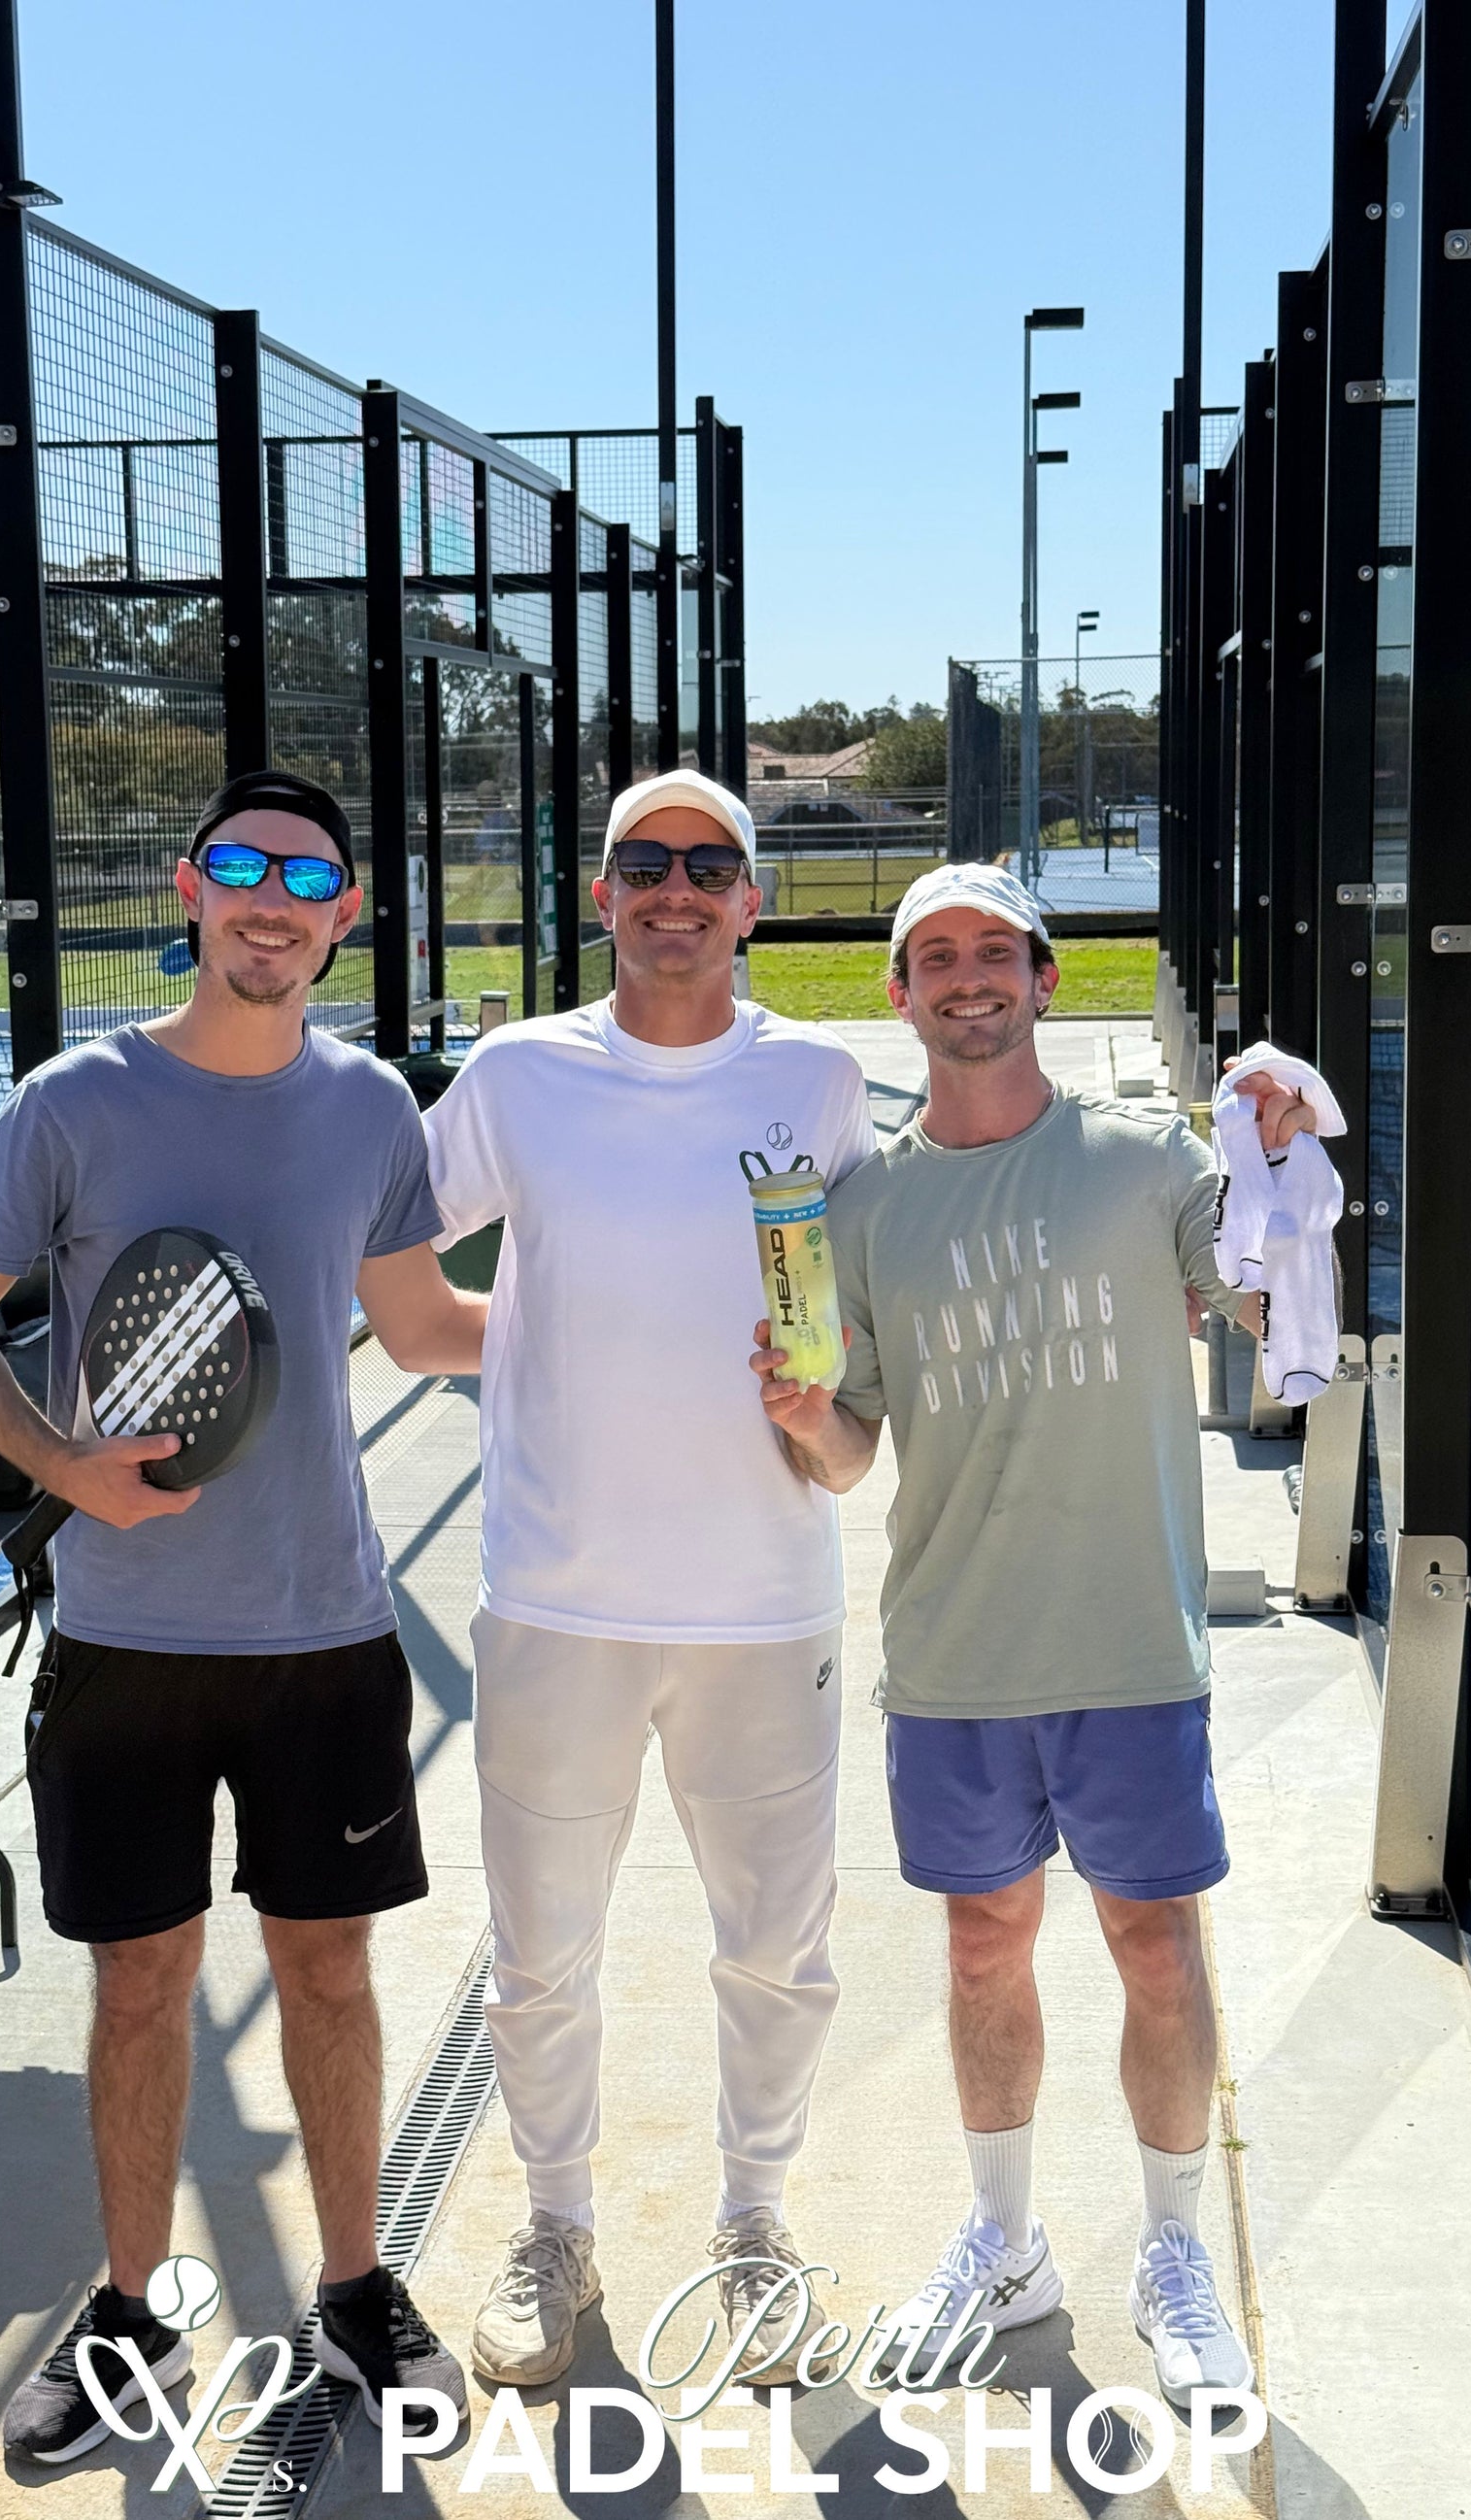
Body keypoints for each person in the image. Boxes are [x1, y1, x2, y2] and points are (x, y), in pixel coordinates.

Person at [0, 770, 478, 2462]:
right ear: (189, 888)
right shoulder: (75, 1102)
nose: (270, 902)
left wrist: (630, 1316)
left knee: (328, 1970)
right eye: (241, 867)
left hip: (325, 1633)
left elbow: (426, 1326)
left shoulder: (369, 1107)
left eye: (306, 879)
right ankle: (129, 2314)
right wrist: (60, 1466)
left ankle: (354, 2290)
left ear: (345, 914)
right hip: (126, 1644)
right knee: (143, 1985)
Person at [750, 861, 1321, 2411]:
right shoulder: (859, 1210)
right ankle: (1005, 2244)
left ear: (1043, 980)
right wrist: (801, 1415)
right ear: (898, 995)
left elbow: (1269, 1308)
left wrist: (1279, 1156)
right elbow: (851, 1451)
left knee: (1153, 1946)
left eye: (994, 952)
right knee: (979, 1943)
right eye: (933, 956)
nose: (966, 977)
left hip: (1127, 1641)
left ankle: (1173, 2252)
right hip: (954, 1654)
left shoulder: (1145, 1160)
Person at [420, 769, 878, 2388]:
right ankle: (554, 2228)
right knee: (539, 1953)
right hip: (557, 1602)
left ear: (751, 901)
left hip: (763, 1601)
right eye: (642, 863)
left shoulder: (820, 1081)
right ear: (600, 892)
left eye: (707, 863)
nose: (673, 887)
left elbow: (862, 1347)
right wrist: (508, 1338)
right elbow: (383, 1245)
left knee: (779, 1951)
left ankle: (754, 2228)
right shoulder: (517, 1075)